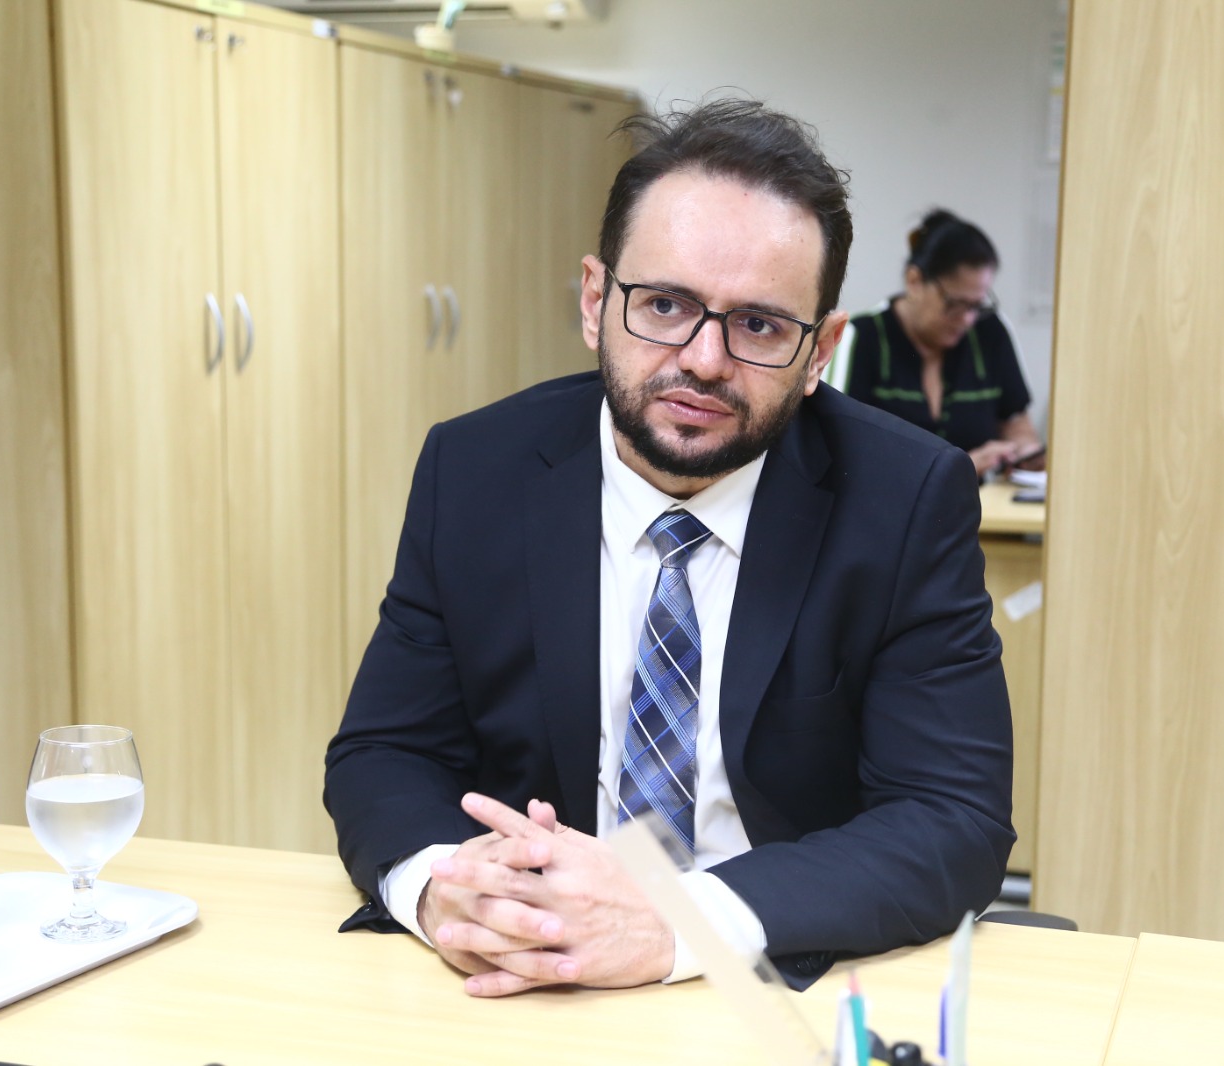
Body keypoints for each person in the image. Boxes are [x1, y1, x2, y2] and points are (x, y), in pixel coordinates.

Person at [323, 98, 1014, 997]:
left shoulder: (905, 499)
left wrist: (678, 923)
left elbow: (952, 819)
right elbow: (383, 753)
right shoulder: (476, 470)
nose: (704, 360)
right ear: (594, 301)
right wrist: (442, 887)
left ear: (821, 351)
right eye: (663, 305)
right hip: (527, 983)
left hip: (778, 989)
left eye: (760, 325)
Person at [826, 210, 1044, 477]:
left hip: (983, 502)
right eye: (955, 304)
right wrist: (963, 468)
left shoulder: (990, 332)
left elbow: (1017, 424)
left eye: (977, 305)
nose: (967, 319)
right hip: (887, 501)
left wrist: (1023, 452)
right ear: (914, 281)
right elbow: (837, 454)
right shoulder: (861, 338)